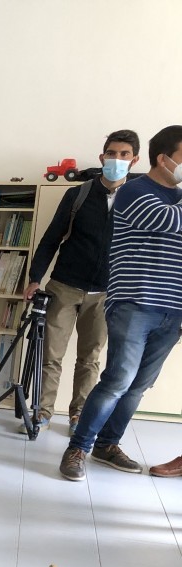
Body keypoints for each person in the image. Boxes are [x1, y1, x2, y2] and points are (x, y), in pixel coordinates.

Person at [59, 125, 182, 481]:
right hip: (136, 302)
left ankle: (107, 445)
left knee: (139, 385)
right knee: (117, 379)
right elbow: (168, 221)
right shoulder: (134, 191)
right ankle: (78, 448)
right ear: (164, 159)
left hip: (172, 309)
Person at [23, 130, 140, 435]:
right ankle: (42, 412)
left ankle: (79, 416)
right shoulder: (79, 194)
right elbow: (51, 239)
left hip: (106, 293)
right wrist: (35, 278)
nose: (117, 159)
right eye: (112, 153)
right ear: (102, 157)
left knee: (90, 359)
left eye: (124, 154)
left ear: (135, 160)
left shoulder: (139, 199)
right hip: (64, 286)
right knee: (51, 355)